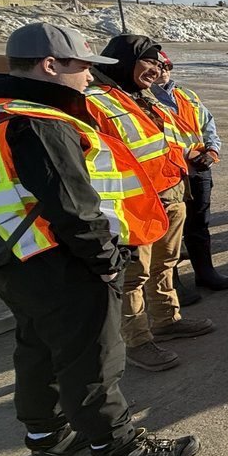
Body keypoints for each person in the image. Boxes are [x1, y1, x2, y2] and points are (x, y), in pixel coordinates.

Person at [0, 22, 199, 456]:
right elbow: (73, 207)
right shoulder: (38, 122)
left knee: (38, 351)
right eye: (82, 67)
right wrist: (107, 260)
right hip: (62, 260)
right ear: (50, 65)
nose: (89, 79)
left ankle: (47, 436)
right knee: (92, 360)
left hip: (18, 258)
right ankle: (122, 450)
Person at [88, 35, 215, 372]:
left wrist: (193, 154)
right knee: (133, 275)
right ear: (125, 61)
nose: (157, 69)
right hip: (133, 204)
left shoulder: (145, 101)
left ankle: (166, 319)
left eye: (160, 64)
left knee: (165, 263)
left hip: (171, 193)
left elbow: (164, 143)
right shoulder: (95, 104)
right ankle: (137, 340)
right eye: (150, 62)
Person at [151, 54, 228, 292]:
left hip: (198, 169)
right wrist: (186, 155)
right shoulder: (143, 100)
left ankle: (205, 271)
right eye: (157, 66)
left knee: (199, 222)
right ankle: (170, 283)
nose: (163, 70)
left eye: (167, 65)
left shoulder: (186, 95)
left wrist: (212, 151)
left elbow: (208, 125)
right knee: (167, 229)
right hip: (168, 173)